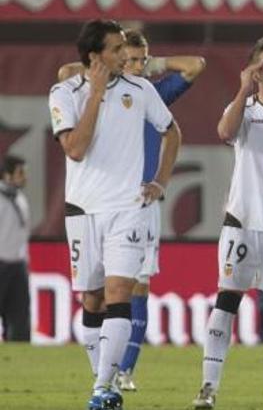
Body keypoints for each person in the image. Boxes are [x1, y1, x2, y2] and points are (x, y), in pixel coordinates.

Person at [59, 29, 206, 391]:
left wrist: (151, 64)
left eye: (139, 58)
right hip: (87, 207)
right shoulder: (72, 89)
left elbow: (195, 66)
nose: (133, 62)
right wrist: (98, 74)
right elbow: (66, 74)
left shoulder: (147, 90)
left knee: (132, 286)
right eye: (125, 53)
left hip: (136, 202)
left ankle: (120, 373)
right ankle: (105, 378)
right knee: (94, 297)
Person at [192, 37, 263, 410]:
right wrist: (242, 89)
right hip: (244, 221)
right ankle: (208, 387)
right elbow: (225, 132)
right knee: (226, 302)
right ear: (255, 71)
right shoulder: (245, 109)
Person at [0, 155, 30, 341]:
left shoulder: (20, 198)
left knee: (20, 321)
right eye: (20, 172)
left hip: (18, 265)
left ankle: (20, 354)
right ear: (7, 175)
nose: (25, 177)